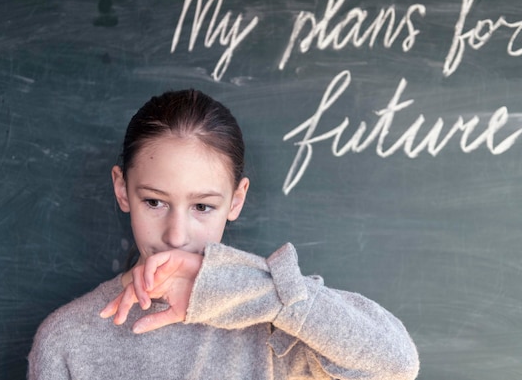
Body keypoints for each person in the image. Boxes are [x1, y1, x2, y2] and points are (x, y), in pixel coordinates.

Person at [28, 89, 419, 380]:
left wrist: (252, 293)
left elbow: (396, 364)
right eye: (154, 202)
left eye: (202, 207)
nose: (176, 236)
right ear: (121, 189)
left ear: (236, 200)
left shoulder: (272, 324)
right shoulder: (67, 339)